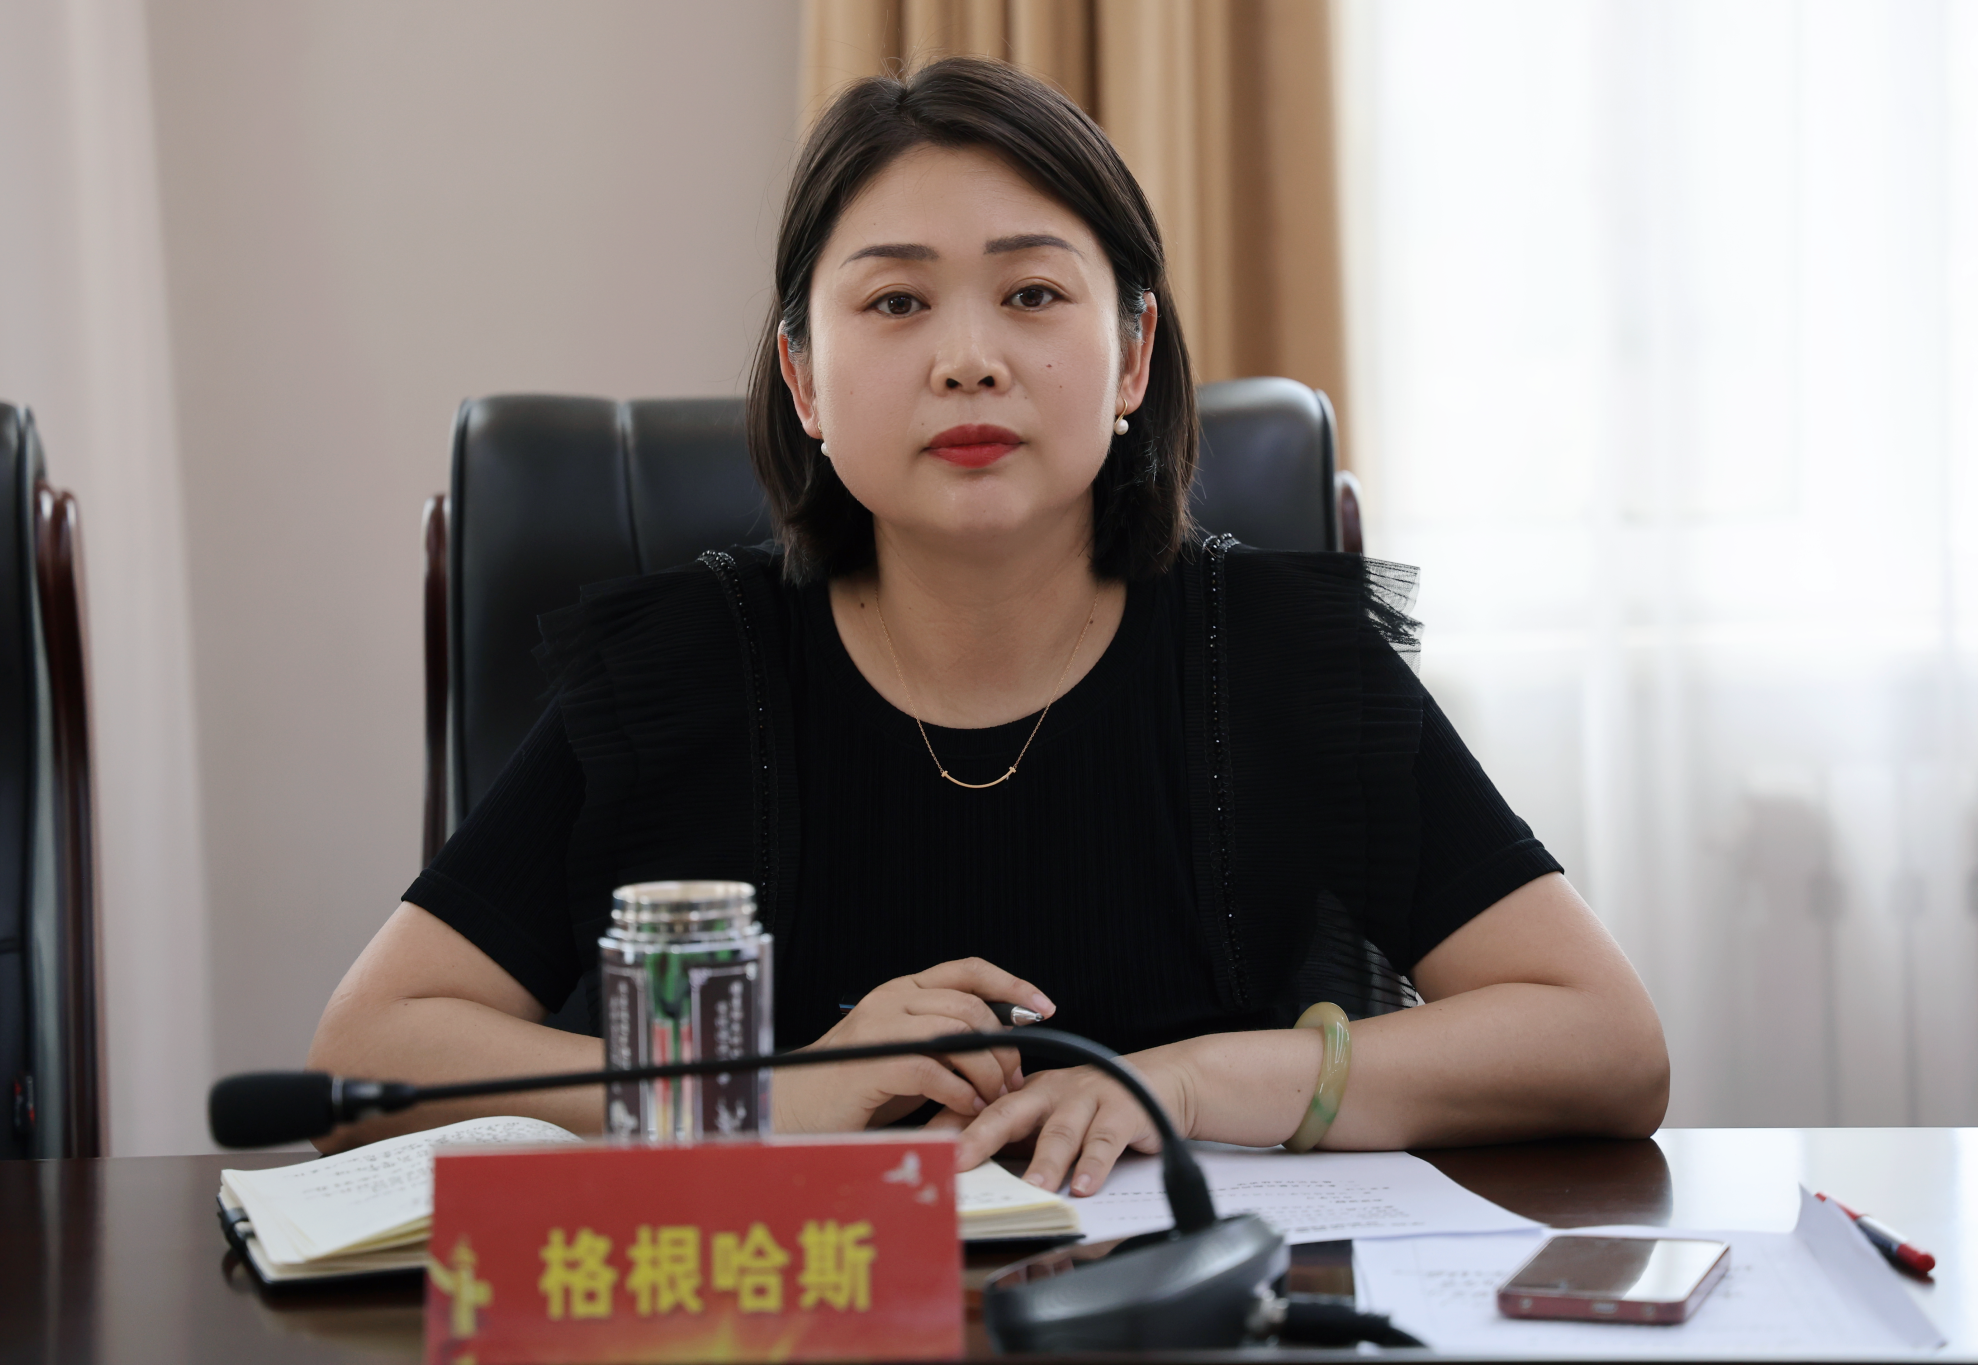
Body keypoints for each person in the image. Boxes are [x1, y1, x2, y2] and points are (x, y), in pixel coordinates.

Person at [306, 57, 1668, 1195]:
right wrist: (764, 1095)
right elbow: (367, 1055)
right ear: (803, 380)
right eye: (896, 302)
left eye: (1032, 294)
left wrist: (1194, 1083)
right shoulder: (687, 670)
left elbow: (1606, 1043)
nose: (969, 358)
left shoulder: (1271, 659)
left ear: (1132, 356)